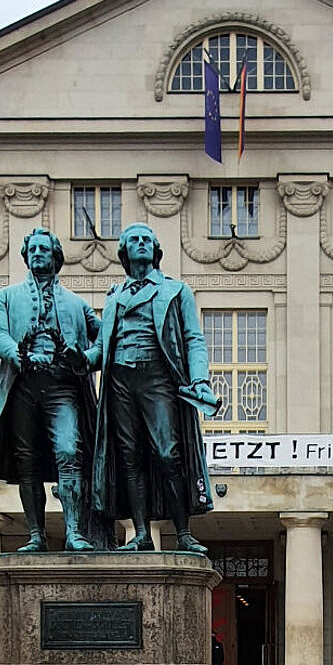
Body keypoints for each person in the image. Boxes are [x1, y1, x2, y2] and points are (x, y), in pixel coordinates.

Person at [91, 223, 219, 554]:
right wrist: (74, 357)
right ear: (124, 252)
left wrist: (200, 379)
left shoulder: (176, 290)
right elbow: (101, 349)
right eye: (135, 240)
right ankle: (141, 533)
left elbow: (193, 339)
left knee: (168, 453)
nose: (142, 244)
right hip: (119, 378)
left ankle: (183, 532)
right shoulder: (115, 297)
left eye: (147, 240)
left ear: (156, 250)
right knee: (129, 458)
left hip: (157, 377)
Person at [0, 229, 101, 551]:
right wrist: (18, 355)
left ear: (56, 257)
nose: (38, 253)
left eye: (44, 249)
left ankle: (75, 532)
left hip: (63, 386)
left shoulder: (76, 304)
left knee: (69, 451)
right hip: (23, 386)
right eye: (33, 249)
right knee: (28, 461)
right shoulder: (6, 297)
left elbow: (106, 336)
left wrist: (87, 358)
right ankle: (36, 535)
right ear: (26, 256)